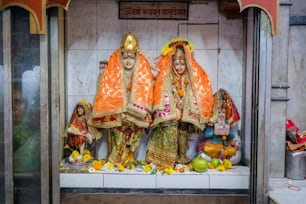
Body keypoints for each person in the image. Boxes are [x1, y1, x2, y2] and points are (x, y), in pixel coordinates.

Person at [146, 37, 214, 167]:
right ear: (172, 64)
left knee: (183, 134)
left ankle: (182, 155)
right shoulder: (168, 76)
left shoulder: (190, 76)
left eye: (182, 64)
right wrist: (176, 101)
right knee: (170, 132)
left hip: (185, 112)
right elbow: (165, 92)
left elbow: (194, 92)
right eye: (177, 63)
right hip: (173, 112)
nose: (180, 67)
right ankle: (166, 158)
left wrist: (186, 102)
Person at [89, 32, 153, 166]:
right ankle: (116, 161)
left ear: (137, 59)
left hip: (136, 114)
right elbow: (108, 94)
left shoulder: (141, 74)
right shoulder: (114, 74)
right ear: (120, 58)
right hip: (119, 115)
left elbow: (147, 93)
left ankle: (130, 158)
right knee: (118, 140)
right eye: (125, 58)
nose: (128, 61)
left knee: (134, 139)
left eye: (132, 58)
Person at [63, 99, 98, 163]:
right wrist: (78, 131)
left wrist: (86, 133)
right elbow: (72, 127)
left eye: (81, 108)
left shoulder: (85, 117)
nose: (80, 110)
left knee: (81, 137)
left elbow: (88, 128)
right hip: (76, 133)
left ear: (84, 110)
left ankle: (81, 155)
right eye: (78, 108)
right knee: (69, 130)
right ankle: (82, 134)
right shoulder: (75, 116)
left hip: (83, 133)